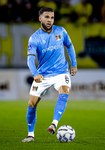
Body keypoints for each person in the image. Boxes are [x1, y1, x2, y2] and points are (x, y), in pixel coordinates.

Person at [22, 7, 77, 142]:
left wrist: (73, 64)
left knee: (64, 92)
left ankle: (54, 124)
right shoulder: (34, 38)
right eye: (47, 17)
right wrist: (35, 73)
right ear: (40, 18)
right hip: (43, 75)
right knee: (31, 104)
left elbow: (69, 46)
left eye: (52, 18)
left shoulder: (61, 31)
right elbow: (30, 59)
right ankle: (30, 135)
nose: (50, 20)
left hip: (61, 72)